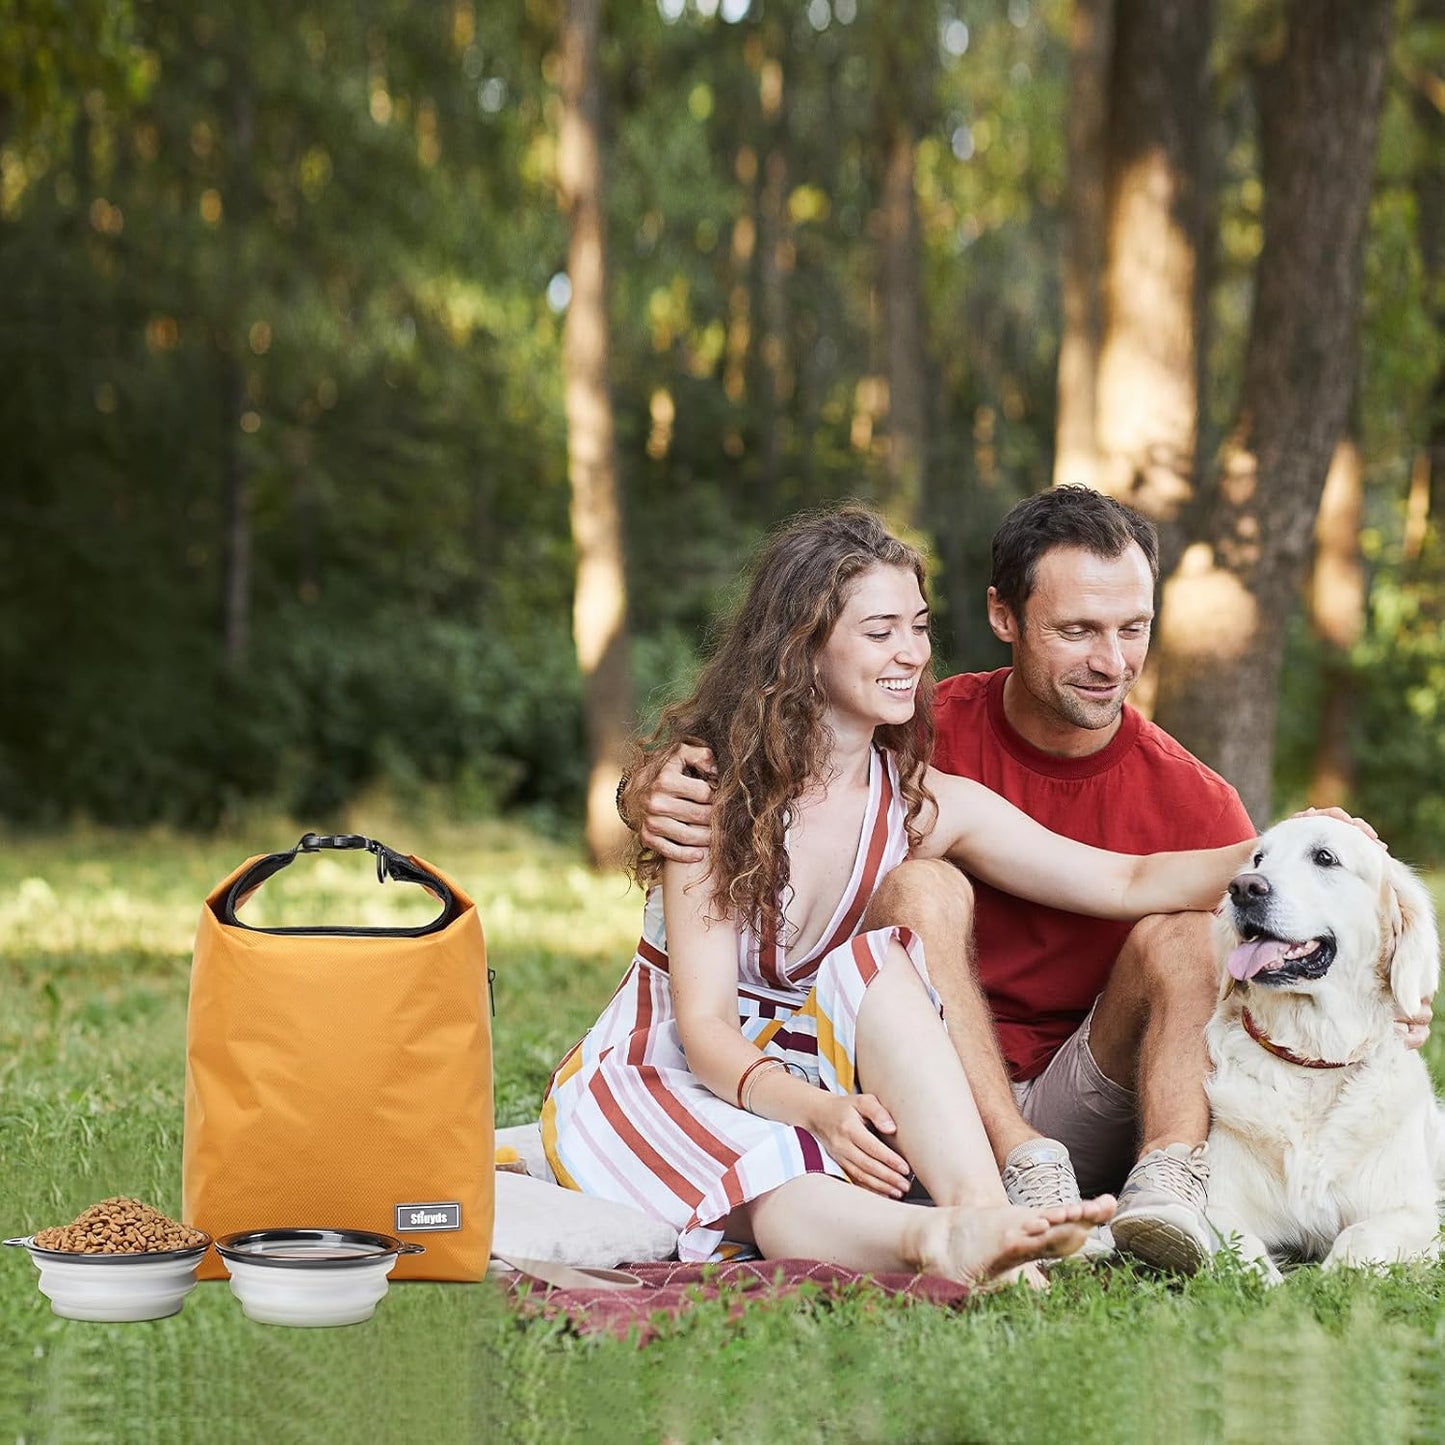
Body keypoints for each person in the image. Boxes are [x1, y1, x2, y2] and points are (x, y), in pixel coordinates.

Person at [630, 487, 1426, 1275]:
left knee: (1185, 929)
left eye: (1132, 628)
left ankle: (1168, 1192)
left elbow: (1149, 887)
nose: (1111, 661)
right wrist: (649, 788)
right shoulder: (909, 729)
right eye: (1077, 629)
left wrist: (1340, 886)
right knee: (922, 888)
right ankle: (1001, 1178)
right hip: (899, 1088)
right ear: (1004, 617)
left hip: (1087, 1108)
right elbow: (776, 761)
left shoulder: (1193, 799)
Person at [548, 504, 1264, 1287]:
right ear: (802, 645)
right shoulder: (717, 793)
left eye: (917, 628)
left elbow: (1124, 877)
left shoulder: (918, 796)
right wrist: (642, 787)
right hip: (696, 1065)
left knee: (880, 960)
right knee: (779, 1167)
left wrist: (1313, 847)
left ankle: (989, 1213)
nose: (909, 655)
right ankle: (939, 1238)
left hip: (836, 1064)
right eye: (880, 630)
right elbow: (706, 1025)